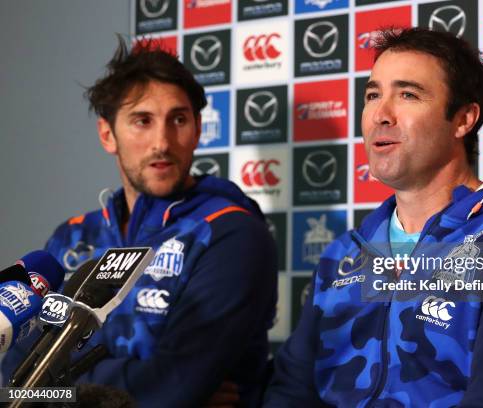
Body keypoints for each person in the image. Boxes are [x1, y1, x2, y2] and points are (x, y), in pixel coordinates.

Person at [264, 28, 483, 407]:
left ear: (463, 119)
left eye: (408, 95)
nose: (380, 115)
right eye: (372, 95)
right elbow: (289, 393)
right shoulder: (344, 255)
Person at [2, 37, 277, 407]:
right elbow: (16, 378)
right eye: (142, 121)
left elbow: (172, 386)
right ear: (107, 134)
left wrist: (56, 387)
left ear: (197, 128)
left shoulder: (232, 233)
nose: (161, 142)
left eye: (178, 120)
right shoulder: (71, 238)